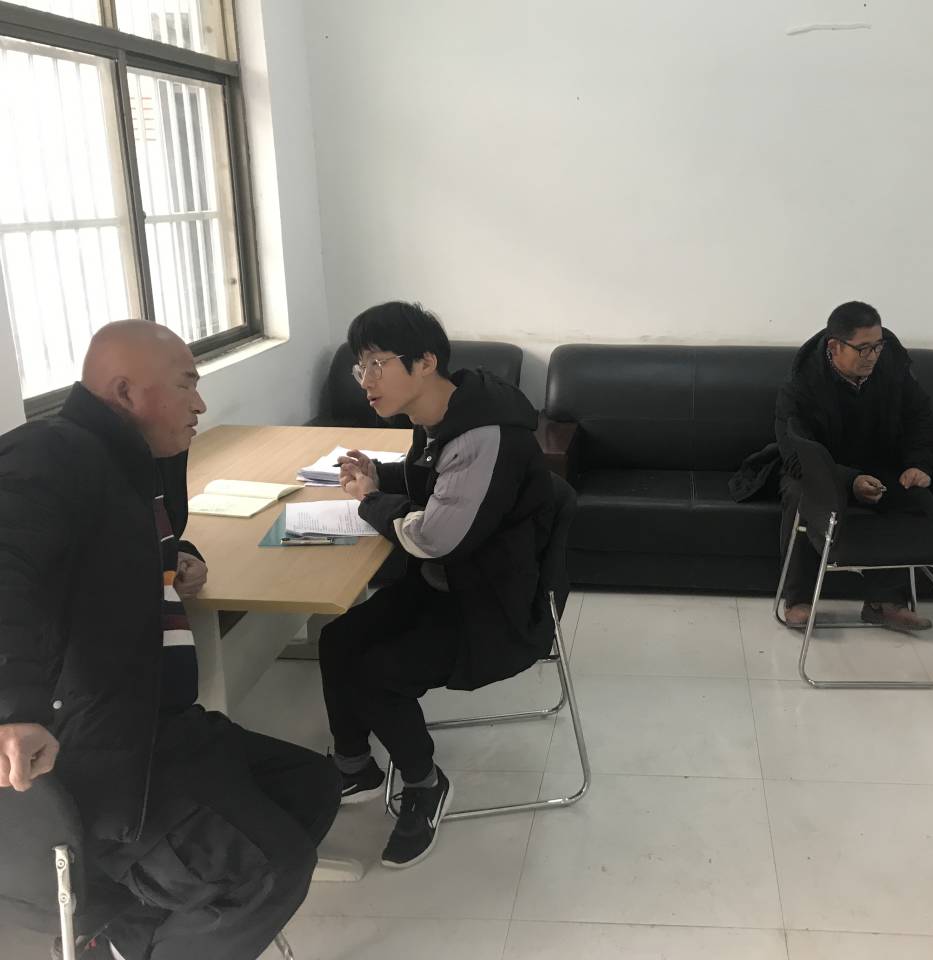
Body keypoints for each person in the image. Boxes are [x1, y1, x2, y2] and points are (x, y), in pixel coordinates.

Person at [0, 321, 339, 960]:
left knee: (312, 786)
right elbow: (8, 560)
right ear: (125, 391)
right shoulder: (51, 453)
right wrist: (11, 706)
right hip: (101, 753)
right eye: (187, 384)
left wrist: (174, 555)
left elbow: (109, 542)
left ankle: (133, 936)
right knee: (267, 870)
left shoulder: (132, 462)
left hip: (163, 727)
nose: (200, 403)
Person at [319, 302, 555, 869]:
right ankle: (355, 768)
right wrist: (381, 477)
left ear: (425, 362)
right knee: (336, 640)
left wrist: (370, 501)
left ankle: (425, 785)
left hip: (492, 608)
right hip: (451, 585)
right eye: (360, 366)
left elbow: (435, 537)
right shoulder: (447, 414)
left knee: (376, 673)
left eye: (377, 364)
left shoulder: (483, 433)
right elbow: (439, 481)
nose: (366, 380)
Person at [775, 300, 933, 630]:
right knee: (800, 497)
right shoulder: (802, 384)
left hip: (879, 466)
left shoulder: (893, 370)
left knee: (914, 497)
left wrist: (918, 463)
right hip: (818, 470)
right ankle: (798, 600)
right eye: (863, 349)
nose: (873, 356)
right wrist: (850, 480)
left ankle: (886, 602)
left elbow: (920, 416)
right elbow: (795, 454)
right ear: (834, 347)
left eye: (878, 346)